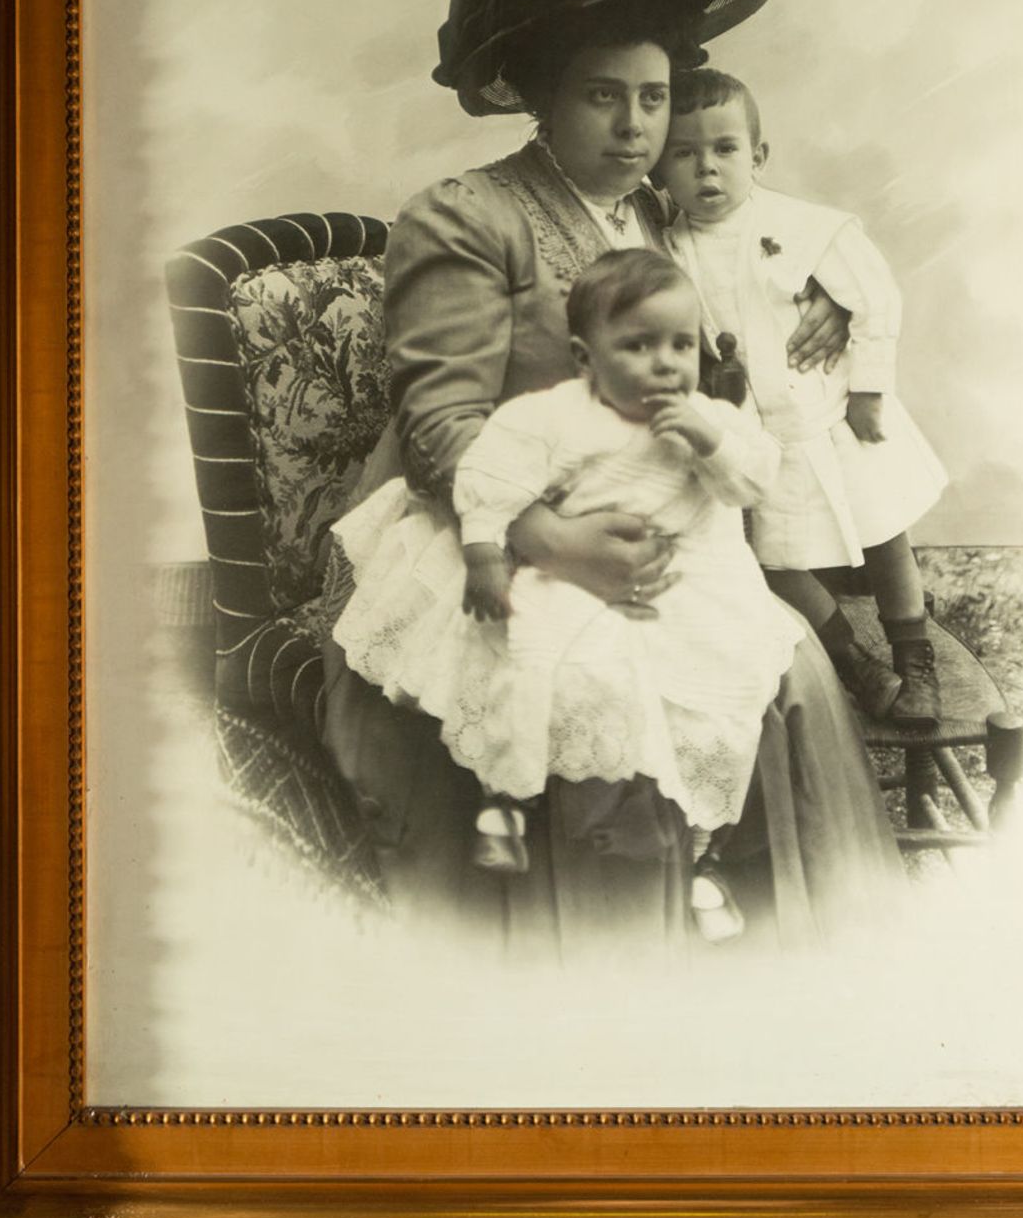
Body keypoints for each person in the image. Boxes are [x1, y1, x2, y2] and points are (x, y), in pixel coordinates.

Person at [316, 0, 904, 954]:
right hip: (482, 521)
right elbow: (441, 428)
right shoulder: (467, 214)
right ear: (539, 96)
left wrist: (823, 318)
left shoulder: (653, 212)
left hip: (640, 508)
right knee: (593, 688)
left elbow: (741, 285)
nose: (635, 127)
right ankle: (594, 972)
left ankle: (751, 953)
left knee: (776, 671)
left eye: (651, 100)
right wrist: (554, 543)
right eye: (602, 97)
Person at [330, 248, 804, 943]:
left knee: (728, 694)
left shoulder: (707, 416)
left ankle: (707, 856)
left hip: (696, 584)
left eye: (679, 344)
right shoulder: (555, 416)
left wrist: (711, 443)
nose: (665, 363)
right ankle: (507, 798)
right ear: (586, 357)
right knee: (544, 661)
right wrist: (485, 552)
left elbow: (754, 483)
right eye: (637, 346)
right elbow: (489, 478)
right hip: (576, 573)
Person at [659, 69, 948, 726]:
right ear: (659, 167)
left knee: (884, 534)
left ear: (757, 156)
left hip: (832, 414)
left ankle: (912, 655)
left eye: (724, 149)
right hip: (756, 436)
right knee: (772, 557)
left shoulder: (803, 227)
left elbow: (874, 297)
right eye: (684, 153)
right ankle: (852, 663)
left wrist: (869, 390)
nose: (706, 168)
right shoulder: (668, 249)